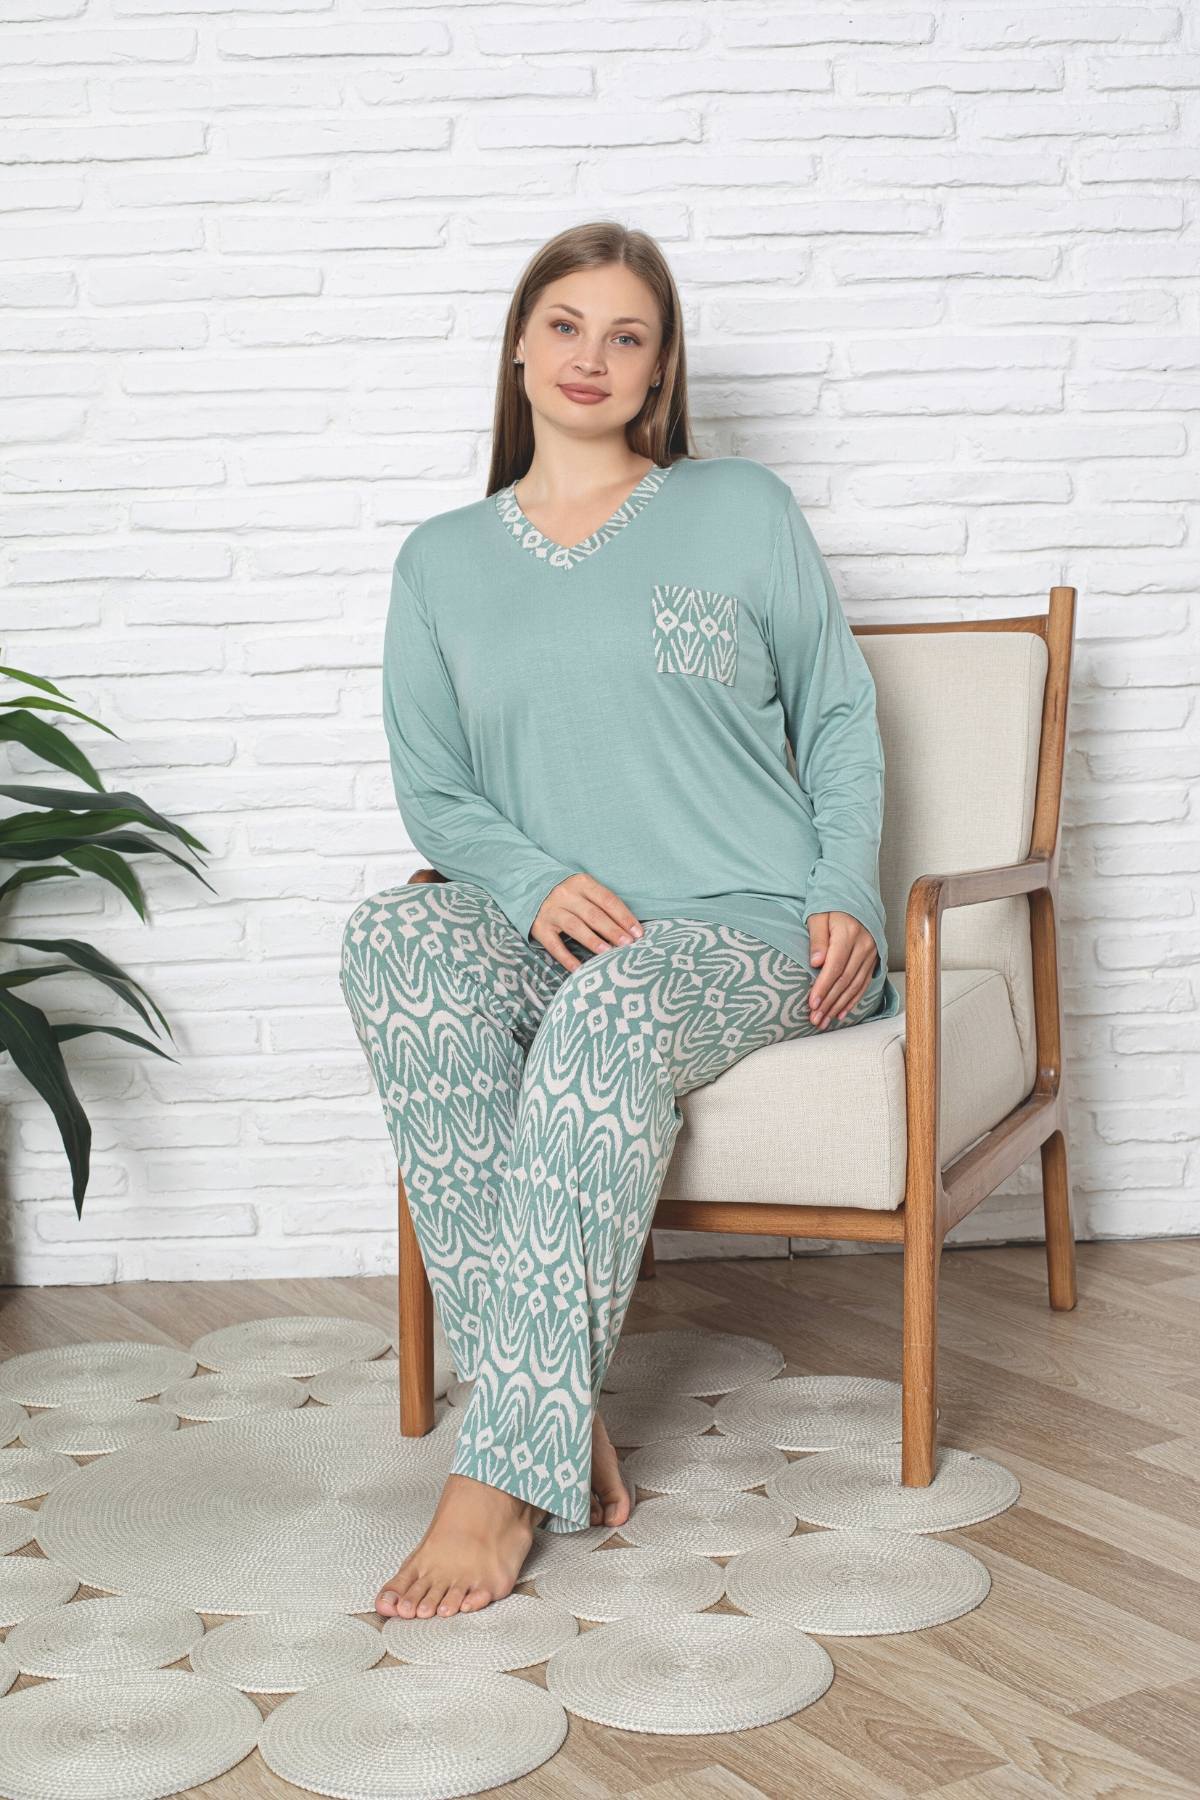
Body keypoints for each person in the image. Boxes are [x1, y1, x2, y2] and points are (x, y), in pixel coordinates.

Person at [339, 219, 902, 1624]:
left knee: (614, 1003)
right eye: (567, 324)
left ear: (659, 374)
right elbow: (436, 791)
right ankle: (548, 1409)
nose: (592, 355)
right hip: (560, 933)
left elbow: (838, 710)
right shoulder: (440, 561)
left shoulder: (739, 508)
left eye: (627, 335)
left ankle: (495, 1480)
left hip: (748, 926)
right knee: (392, 941)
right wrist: (531, 882)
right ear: (520, 348)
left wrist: (843, 887)